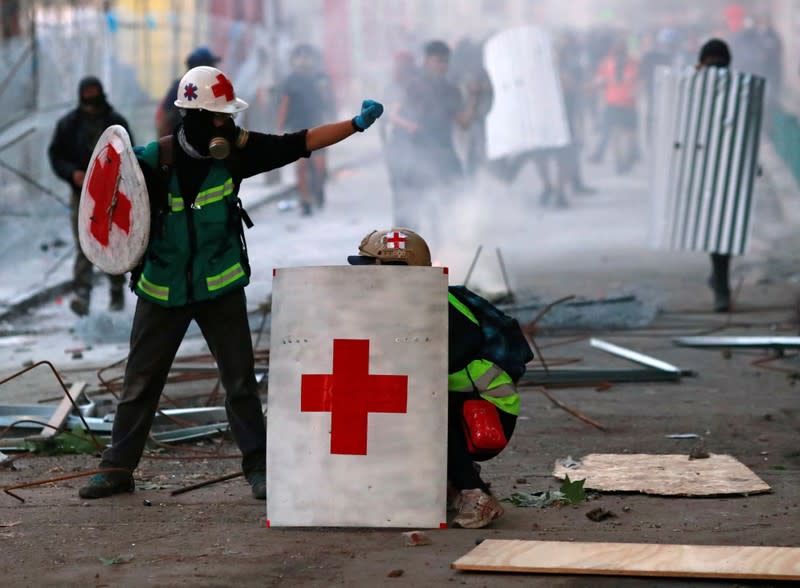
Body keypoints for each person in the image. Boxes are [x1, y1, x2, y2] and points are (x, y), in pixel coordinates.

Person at [78, 65, 383, 500]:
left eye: (228, 116)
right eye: (219, 117)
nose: (228, 124)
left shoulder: (238, 153)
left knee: (240, 383)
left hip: (219, 287)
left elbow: (299, 143)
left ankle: (260, 468)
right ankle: (117, 467)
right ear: (196, 116)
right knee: (140, 382)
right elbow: (108, 200)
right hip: (162, 289)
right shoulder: (151, 160)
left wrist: (353, 126)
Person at [347, 228, 532, 529]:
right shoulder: (416, 302)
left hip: (488, 407)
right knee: (411, 401)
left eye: (371, 266)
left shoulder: (435, 310)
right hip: (458, 398)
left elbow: (423, 375)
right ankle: (450, 484)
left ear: (396, 269)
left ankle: (476, 495)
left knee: (420, 406)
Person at [48, 76, 134, 316]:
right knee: (85, 244)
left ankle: (116, 292)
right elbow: (56, 156)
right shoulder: (69, 125)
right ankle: (82, 294)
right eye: (88, 92)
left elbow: (130, 154)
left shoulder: (115, 123)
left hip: (112, 194)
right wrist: (72, 173)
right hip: (83, 195)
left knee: (112, 242)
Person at [388, 40, 478, 228]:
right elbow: (393, 115)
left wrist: (473, 99)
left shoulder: (451, 91)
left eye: (446, 61)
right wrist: (409, 125)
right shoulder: (411, 86)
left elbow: (464, 123)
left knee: (449, 204)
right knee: (410, 212)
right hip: (414, 153)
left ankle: (444, 249)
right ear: (428, 61)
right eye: (439, 61)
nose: (443, 66)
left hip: (443, 153)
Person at [275, 43, 336, 216]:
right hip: (298, 129)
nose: (303, 60)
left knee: (319, 166)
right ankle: (305, 200)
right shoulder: (290, 81)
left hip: (319, 128)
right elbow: (285, 105)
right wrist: (279, 128)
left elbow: (330, 102)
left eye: (306, 57)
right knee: (301, 167)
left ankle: (319, 190)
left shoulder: (321, 78)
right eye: (300, 57)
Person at [696, 38, 734, 312]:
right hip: (704, 170)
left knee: (725, 228)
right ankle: (719, 281)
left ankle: (721, 284)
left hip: (730, 170)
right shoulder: (691, 89)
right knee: (716, 228)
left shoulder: (739, 89)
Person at [155, 46, 221, 139]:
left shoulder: (207, 88)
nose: (214, 68)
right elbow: (164, 119)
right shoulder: (182, 87)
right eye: (210, 65)